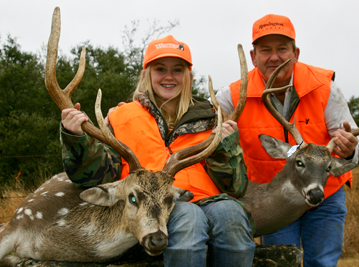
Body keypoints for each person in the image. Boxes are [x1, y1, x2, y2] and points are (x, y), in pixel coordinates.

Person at [60, 35, 255, 267]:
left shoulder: (212, 118)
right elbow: (98, 176)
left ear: (188, 77)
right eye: (160, 69)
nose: (169, 77)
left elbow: (236, 187)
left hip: (208, 199)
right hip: (147, 206)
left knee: (231, 215)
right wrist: (77, 139)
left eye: (178, 70)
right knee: (188, 218)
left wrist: (227, 146)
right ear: (147, 75)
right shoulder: (121, 117)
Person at [215, 14, 359, 266]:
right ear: (253, 57)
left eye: (282, 49)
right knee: (279, 262)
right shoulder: (232, 95)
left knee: (322, 262)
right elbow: (196, 122)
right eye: (266, 50)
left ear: (295, 52)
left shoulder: (324, 87)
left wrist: (349, 150)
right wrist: (144, 104)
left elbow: (358, 146)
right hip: (273, 197)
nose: (274, 57)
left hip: (324, 194)